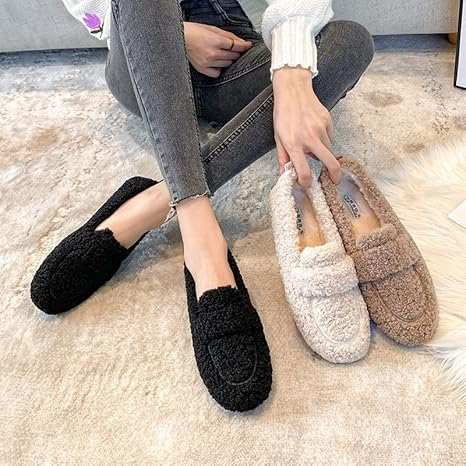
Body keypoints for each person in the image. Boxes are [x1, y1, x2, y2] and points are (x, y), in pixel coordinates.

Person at [30, 0, 375, 411]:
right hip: (140, 53)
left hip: (233, 61)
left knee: (350, 41)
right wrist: (177, 35)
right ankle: (202, 240)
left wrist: (291, 76)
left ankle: (155, 200)